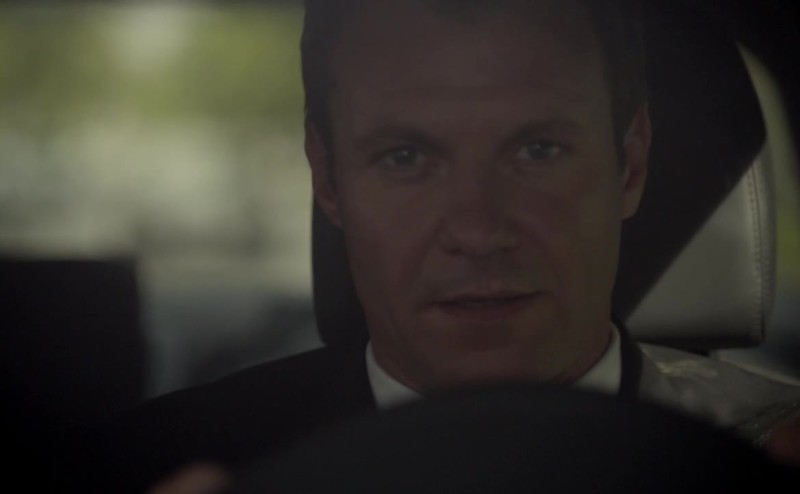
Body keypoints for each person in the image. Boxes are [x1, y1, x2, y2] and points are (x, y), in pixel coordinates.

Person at [89, 0, 800, 491]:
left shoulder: (773, 447)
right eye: (405, 157)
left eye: (538, 150)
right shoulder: (160, 462)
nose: (479, 231)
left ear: (631, 165)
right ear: (328, 180)